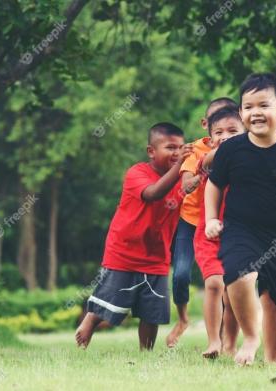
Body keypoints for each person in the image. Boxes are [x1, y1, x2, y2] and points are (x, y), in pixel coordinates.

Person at [204, 73, 276, 365]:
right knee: (239, 275)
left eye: (263, 105)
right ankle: (251, 337)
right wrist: (210, 219)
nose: (255, 112)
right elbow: (213, 185)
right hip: (239, 230)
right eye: (248, 106)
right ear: (241, 113)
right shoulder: (231, 149)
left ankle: (273, 361)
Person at [75, 122, 192, 350]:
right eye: (170, 147)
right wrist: (179, 167)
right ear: (151, 151)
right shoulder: (137, 173)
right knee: (112, 300)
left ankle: (145, 352)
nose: (176, 153)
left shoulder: (182, 178)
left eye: (180, 148)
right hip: (124, 250)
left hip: (157, 254)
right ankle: (90, 320)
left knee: (153, 309)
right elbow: (153, 193)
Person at [166, 97, 238, 348]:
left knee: (227, 284)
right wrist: (199, 175)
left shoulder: (243, 147)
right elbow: (185, 184)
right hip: (192, 220)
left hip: (227, 222)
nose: (224, 131)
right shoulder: (196, 150)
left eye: (231, 124)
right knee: (182, 274)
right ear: (206, 125)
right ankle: (184, 319)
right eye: (217, 125)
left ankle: (222, 337)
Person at [193, 107, 244, 358]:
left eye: (233, 131)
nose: (225, 136)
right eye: (219, 132)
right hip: (209, 235)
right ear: (211, 138)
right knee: (214, 284)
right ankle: (213, 341)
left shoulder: (250, 161)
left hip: (239, 237)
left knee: (233, 291)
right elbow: (206, 161)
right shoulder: (209, 160)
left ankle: (230, 343)